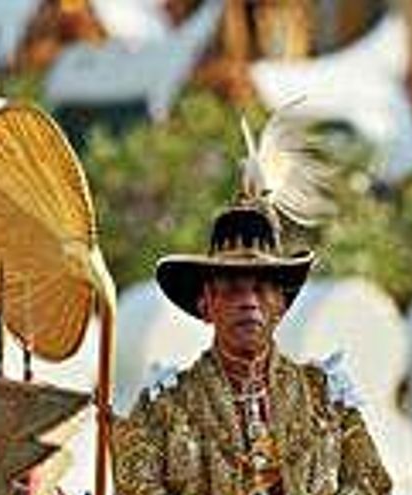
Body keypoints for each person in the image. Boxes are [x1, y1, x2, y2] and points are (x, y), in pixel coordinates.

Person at [110, 111, 391, 495]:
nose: (249, 302)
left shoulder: (327, 400)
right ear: (206, 303)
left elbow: (372, 484)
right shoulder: (164, 409)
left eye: (261, 289)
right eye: (232, 289)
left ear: (281, 304)